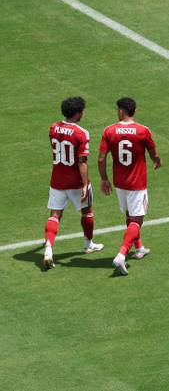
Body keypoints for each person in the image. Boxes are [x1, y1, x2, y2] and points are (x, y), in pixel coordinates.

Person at [97, 97, 161, 276]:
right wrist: (157, 161)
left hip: (119, 182)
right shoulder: (142, 130)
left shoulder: (109, 130)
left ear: (121, 111)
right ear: (134, 111)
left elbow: (101, 159)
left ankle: (139, 248)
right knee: (137, 220)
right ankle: (121, 254)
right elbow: (153, 152)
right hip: (137, 183)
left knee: (129, 215)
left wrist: (104, 179)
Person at [43, 96, 104, 269]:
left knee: (55, 215)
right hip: (76, 182)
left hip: (57, 180)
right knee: (87, 212)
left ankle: (48, 249)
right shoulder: (81, 133)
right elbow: (82, 161)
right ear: (77, 113)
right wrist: (84, 184)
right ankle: (88, 244)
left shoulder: (53, 128)